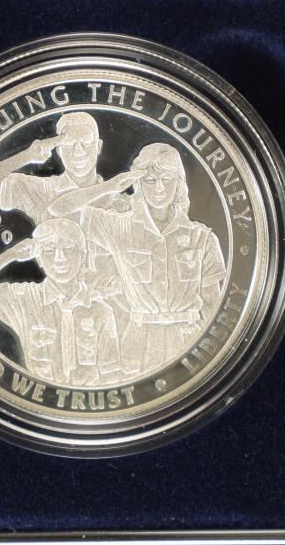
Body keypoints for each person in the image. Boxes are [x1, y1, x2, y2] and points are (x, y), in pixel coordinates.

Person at [49, 143, 227, 376]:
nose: (159, 188)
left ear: (179, 183)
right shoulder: (119, 227)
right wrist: (110, 187)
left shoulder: (201, 238)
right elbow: (58, 209)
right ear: (139, 183)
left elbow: (213, 305)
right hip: (138, 343)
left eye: (166, 179)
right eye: (150, 180)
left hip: (188, 339)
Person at [0, 218, 122, 386]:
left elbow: (111, 374)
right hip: (38, 392)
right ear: (39, 259)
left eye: (68, 249)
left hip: (85, 396)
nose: (60, 258)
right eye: (49, 251)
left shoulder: (101, 310)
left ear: (83, 256)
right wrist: (10, 255)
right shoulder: (23, 299)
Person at [0, 111, 112, 225]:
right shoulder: (41, 190)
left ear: (98, 147)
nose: (78, 152)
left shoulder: (115, 197)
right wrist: (27, 156)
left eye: (86, 143)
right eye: (69, 145)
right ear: (59, 151)